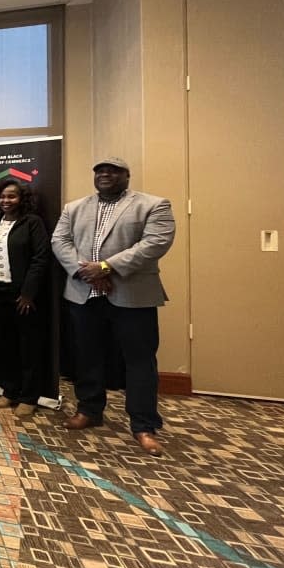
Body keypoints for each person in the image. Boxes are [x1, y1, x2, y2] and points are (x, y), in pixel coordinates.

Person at [52, 157, 176, 456]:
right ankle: (89, 410)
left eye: (112, 170)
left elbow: (155, 243)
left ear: (126, 176)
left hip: (132, 296)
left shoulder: (153, 205)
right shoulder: (74, 207)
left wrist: (107, 267)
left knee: (139, 361)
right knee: (87, 356)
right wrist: (87, 272)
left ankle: (144, 425)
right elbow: (60, 241)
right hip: (85, 293)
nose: (105, 174)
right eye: (99, 170)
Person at [0, 178, 50, 417]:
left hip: (24, 296)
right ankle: (9, 392)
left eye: (12, 196)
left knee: (28, 347)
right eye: (2, 196)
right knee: (5, 346)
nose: (6, 201)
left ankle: (29, 397)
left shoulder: (32, 222)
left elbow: (40, 259)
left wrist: (28, 293)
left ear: (22, 199)